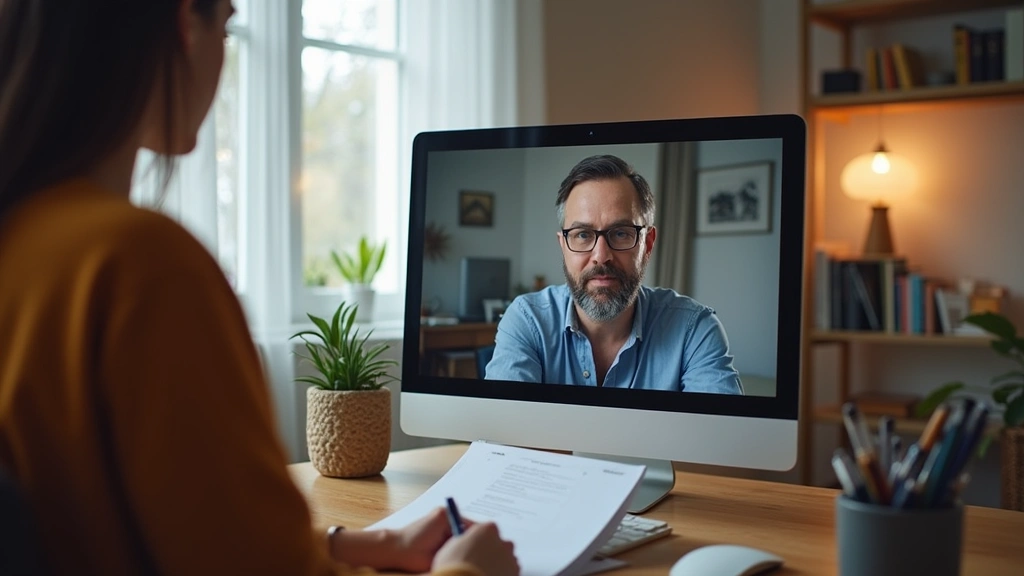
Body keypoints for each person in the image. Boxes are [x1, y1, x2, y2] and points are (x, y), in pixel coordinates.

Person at [0, 2, 518, 575]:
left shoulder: (31, 247)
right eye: (224, 21)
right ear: (183, 26)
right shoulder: (138, 266)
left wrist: (353, 545)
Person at [486, 154, 742, 394]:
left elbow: (721, 438)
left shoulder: (694, 330)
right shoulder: (527, 320)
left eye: (620, 233)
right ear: (563, 246)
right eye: (583, 235)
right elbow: (504, 434)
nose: (601, 255)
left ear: (648, 243)